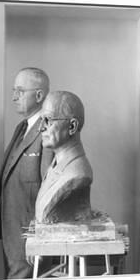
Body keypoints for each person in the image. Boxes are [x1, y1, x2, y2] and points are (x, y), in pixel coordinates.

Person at [0, 67, 53, 279]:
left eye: (20, 90)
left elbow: (49, 187)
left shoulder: (48, 131)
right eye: (13, 90)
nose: (14, 96)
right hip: (12, 226)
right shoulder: (22, 128)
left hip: (29, 229)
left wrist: (39, 232)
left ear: (39, 95)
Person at [35, 91, 93, 224]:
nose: (41, 128)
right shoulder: (55, 165)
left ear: (72, 126)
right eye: (41, 120)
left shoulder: (77, 174)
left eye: (48, 120)